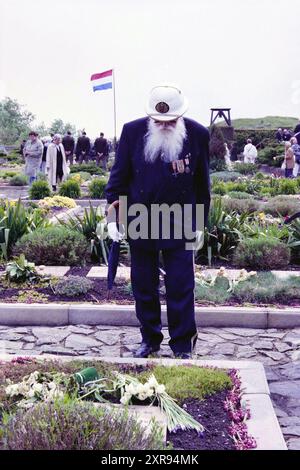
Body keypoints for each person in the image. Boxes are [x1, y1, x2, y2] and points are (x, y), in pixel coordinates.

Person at [105, 84, 210, 359]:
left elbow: (202, 185)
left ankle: (183, 345)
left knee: (181, 285)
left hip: (181, 219)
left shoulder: (198, 134)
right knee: (143, 285)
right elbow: (118, 177)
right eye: (159, 121)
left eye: (171, 121)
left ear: (180, 116)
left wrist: (200, 224)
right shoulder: (132, 131)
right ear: (151, 117)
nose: (165, 125)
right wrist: (115, 213)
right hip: (141, 218)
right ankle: (150, 339)